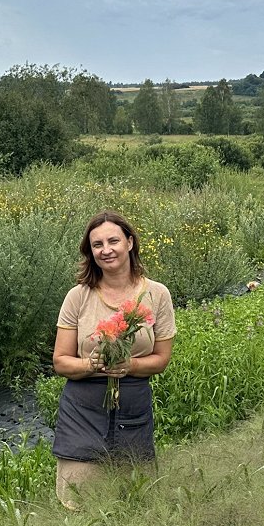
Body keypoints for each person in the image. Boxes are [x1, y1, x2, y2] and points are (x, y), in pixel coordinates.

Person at [51, 210, 176, 510]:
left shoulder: (157, 295)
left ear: (130, 243)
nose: (105, 250)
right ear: (90, 252)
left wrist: (129, 365)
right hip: (83, 409)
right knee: (79, 501)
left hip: (132, 408)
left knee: (134, 500)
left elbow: (160, 360)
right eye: (97, 245)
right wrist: (91, 365)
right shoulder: (78, 296)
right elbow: (60, 361)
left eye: (113, 241)